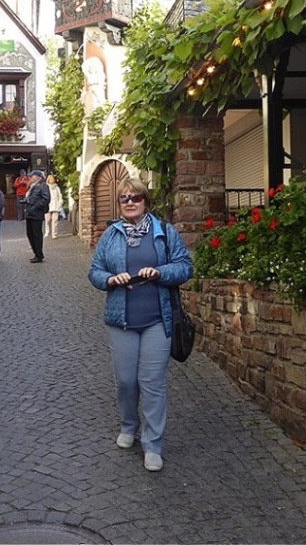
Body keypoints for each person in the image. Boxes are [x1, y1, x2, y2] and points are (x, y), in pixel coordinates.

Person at [87, 178, 193, 472]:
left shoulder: (164, 233)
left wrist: (159, 272)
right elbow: (95, 271)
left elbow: (185, 266)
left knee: (153, 382)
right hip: (121, 320)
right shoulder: (111, 235)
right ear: (119, 204)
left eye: (136, 197)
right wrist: (110, 279)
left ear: (146, 201)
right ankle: (128, 425)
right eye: (124, 198)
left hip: (157, 320)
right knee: (126, 381)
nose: (130, 201)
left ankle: (153, 443)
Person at [24, 170, 50, 263]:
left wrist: (35, 207)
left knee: (36, 234)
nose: (30, 178)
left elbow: (46, 199)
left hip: (36, 214)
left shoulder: (43, 186)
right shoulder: (33, 187)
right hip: (30, 213)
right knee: (30, 234)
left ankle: (39, 255)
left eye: (32, 176)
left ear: (38, 177)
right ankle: (36, 253)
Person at [45, 174, 63, 239]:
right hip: (48, 205)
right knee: (47, 220)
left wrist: (60, 203)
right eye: (51, 179)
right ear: (48, 180)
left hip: (55, 205)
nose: (52, 180)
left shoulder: (56, 187)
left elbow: (60, 196)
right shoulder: (46, 187)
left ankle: (54, 234)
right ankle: (47, 231)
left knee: (55, 220)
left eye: (53, 179)